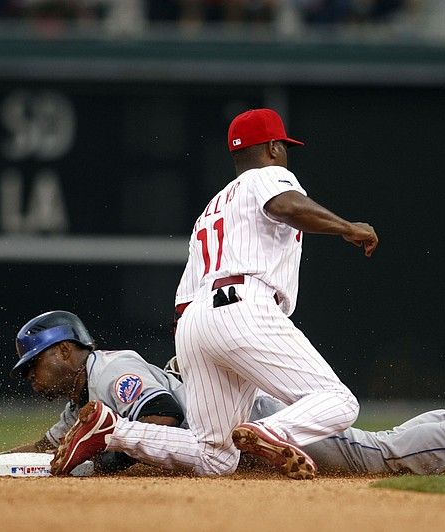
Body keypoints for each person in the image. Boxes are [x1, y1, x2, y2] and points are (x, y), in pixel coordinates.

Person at [51, 108, 379, 480]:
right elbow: (286, 205)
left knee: (215, 457)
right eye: (283, 146)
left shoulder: (211, 210)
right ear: (273, 147)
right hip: (243, 307)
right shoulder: (268, 177)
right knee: (339, 402)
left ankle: (112, 431)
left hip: (195, 322)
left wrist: (197, 350)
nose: (285, 153)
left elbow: (186, 296)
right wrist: (347, 227)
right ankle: (271, 432)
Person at [0, 310, 445, 477]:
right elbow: (48, 457)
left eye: (36, 368)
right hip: (240, 421)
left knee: (382, 455)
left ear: (65, 352)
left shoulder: (110, 372)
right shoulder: (83, 400)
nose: (33, 380)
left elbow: (159, 417)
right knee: (380, 445)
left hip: (254, 419)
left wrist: (110, 454)